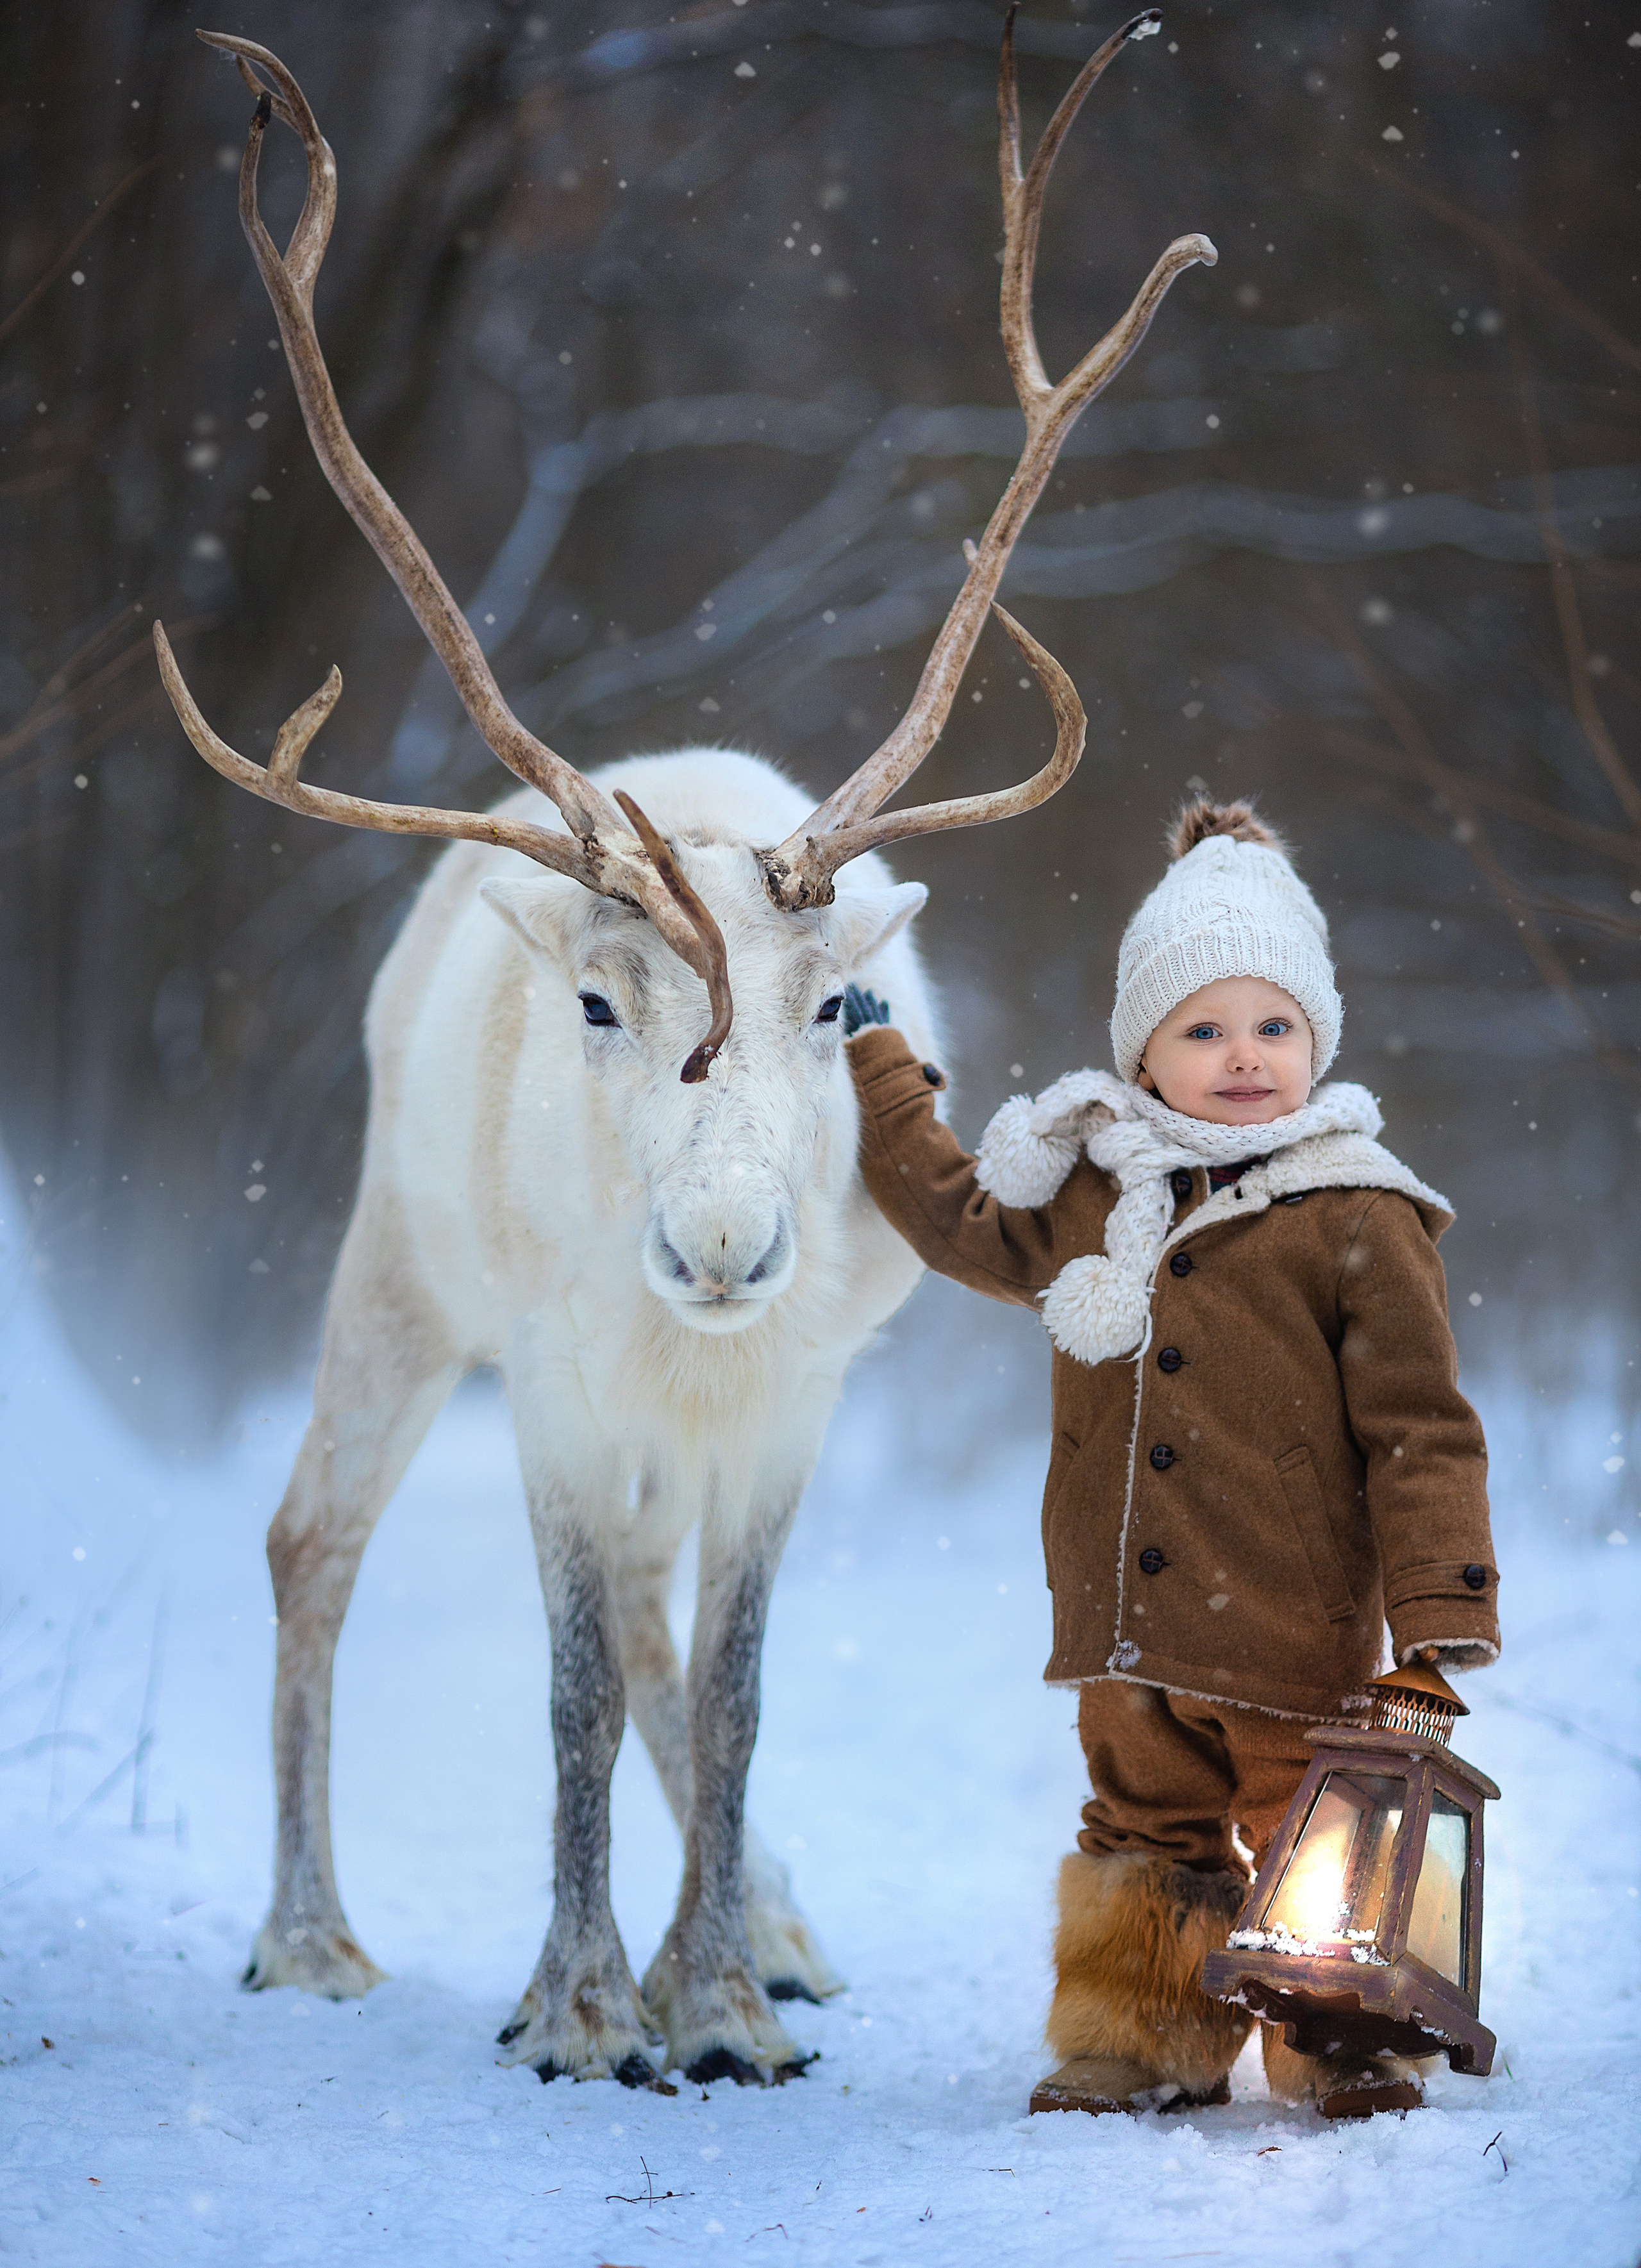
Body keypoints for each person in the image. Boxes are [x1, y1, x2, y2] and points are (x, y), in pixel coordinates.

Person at [843, 797, 1500, 2119]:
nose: (1243, 1055)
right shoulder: (1097, 1192)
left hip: (1285, 1626)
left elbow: (1418, 1425)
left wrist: (1435, 1622)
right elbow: (955, 1219)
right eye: (1202, 1028)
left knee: (1311, 1835)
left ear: (1313, 1040)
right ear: (1143, 1054)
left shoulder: (1355, 1210)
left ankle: (1340, 2035)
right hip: (1124, 1629)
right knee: (1139, 1828)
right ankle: (1138, 2036)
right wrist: (874, 1063)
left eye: (1272, 1026)